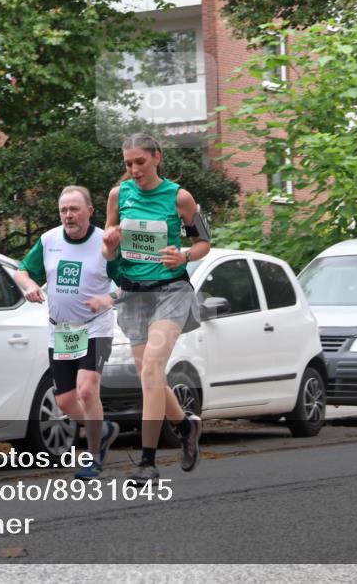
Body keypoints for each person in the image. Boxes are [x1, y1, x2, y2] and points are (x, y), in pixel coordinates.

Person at [102, 132, 211, 483]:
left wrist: (184, 255)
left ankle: (147, 462)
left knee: (151, 367)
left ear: (157, 158)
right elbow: (107, 245)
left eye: (140, 162)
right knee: (149, 376)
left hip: (171, 292)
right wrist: (110, 244)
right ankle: (185, 427)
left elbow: (204, 242)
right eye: (128, 164)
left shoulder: (180, 198)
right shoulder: (119, 195)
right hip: (133, 295)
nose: (134, 169)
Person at [15, 185, 120, 480]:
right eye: (63, 210)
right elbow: (21, 271)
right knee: (64, 401)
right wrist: (30, 286)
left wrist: (107, 299)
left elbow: (129, 285)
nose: (68, 215)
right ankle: (103, 429)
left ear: (90, 211)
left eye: (74, 209)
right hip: (61, 330)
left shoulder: (105, 242)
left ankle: (94, 457)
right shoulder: (49, 240)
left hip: (94, 325)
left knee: (87, 389)